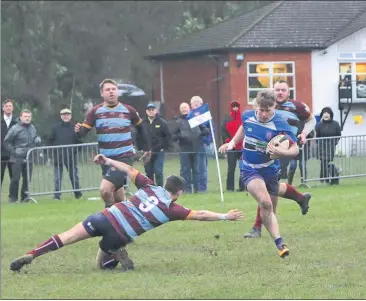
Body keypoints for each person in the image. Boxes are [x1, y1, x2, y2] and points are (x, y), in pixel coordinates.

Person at [9, 153, 244, 272]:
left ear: (164, 186)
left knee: (66, 237)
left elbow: (128, 168)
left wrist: (107, 160)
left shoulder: (149, 185)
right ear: (179, 192)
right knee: (103, 263)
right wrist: (225, 216)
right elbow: (201, 214)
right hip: (120, 234)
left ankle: (33, 254)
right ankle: (113, 253)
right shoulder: (172, 209)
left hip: (106, 217)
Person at [219, 90, 309, 258]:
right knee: (265, 202)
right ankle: (280, 243)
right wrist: (231, 143)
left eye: (268, 110)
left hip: (270, 169)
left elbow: (294, 148)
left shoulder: (280, 123)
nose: (264, 114)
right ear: (255, 106)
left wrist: (283, 152)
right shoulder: (247, 116)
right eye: (261, 109)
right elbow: (243, 128)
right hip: (249, 168)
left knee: (271, 207)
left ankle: (301, 199)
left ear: (274, 107)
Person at [243, 81, 314, 239]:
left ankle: (258, 226)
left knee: (267, 188)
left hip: (282, 150)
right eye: (277, 90)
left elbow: (311, 120)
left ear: (289, 92)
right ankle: (301, 198)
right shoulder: (265, 106)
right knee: (271, 187)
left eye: (283, 90)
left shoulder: (298, 106)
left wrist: (304, 134)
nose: (280, 92)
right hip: (265, 150)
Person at [74, 78, 152, 208]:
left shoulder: (129, 110)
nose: (111, 92)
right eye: (107, 90)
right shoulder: (95, 112)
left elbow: (141, 129)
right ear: (102, 93)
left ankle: (110, 217)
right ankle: (126, 218)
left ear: (118, 92)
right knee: (119, 198)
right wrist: (77, 131)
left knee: (105, 190)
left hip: (124, 158)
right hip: (105, 159)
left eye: (113, 89)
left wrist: (147, 149)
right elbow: (82, 133)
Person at [3, 109, 42, 203]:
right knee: (15, 178)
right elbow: (6, 142)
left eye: (29, 117)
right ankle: (13, 198)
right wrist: (14, 151)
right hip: (17, 158)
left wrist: (37, 139)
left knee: (27, 178)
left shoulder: (32, 127)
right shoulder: (15, 128)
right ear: (21, 117)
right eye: (25, 116)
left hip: (29, 156)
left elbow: (34, 138)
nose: (27, 118)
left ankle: (25, 198)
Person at [172, 102, 210, 193]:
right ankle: (186, 189)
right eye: (182, 108)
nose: (184, 109)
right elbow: (173, 136)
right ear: (180, 110)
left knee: (197, 170)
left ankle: (197, 189)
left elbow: (206, 130)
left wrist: (200, 134)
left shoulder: (195, 119)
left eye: (185, 107)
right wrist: (180, 136)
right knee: (185, 171)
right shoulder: (178, 121)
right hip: (184, 149)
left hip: (196, 149)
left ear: (189, 109)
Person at [48, 108, 83, 200]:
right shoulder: (55, 128)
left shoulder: (75, 127)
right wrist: (51, 153)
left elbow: (79, 140)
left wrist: (75, 151)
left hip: (71, 156)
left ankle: (78, 194)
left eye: (67, 114)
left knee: (74, 176)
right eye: (64, 114)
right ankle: (57, 196)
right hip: (58, 156)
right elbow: (49, 140)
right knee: (57, 178)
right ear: (61, 116)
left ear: (70, 116)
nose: (65, 116)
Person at [139, 103, 172, 187]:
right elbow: (138, 137)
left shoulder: (162, 122)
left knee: (158, 171)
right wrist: (141, 148)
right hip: (146, 153)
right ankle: (151, 190)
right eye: (149, 110)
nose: (151, 111)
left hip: (159, 152)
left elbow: (168, 136)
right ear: (146, 111)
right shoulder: (142, 123)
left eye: (152, 109)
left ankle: (160, 189)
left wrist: (164, 147)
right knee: (148, 172)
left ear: (156, 111)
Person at [190, 96, 213, 193]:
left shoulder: (205, 115)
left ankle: (202, 188)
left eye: (198, 102)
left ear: (201, 104)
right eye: (193, 102)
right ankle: (195, 187)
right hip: (191, 145)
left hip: (202, 144)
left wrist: (207, 141)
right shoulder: (189, 115)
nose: (196, 103)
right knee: (192, 168)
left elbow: (211, 130)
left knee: (202, 168)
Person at [221, 100, 245, 192]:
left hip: (242, 147)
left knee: (243, 168)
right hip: (231, 147)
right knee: (231, 168)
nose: (235, 108)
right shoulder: (227, 118)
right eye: (233, 106)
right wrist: (227, 141)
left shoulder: (243, 118)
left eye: (237, 106)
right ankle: (230, 188)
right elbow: (223, 131)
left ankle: (242, 187)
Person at [315, 107, 342, 185]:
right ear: (322, 115)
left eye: (328, 113)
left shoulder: (335, 124)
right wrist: (318, 144)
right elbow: (318, 136)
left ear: (330, 115)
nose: (326, 115)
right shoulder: (319, 125)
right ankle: (324, 179)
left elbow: (338, 135)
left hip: (331, 146)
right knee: (323, 163)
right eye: (324, 113)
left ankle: (325, 178)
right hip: (322, 147)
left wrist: (335, 142)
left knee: (325, 163)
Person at [1, 99, 17, 187]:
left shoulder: (17, 122)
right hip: (1, 154)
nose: (8, 108)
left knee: (14, 177)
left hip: (13, 153)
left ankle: (13, 197)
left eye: (10, 106)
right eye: (6, 106)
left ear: (13, 108)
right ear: (3, 108)